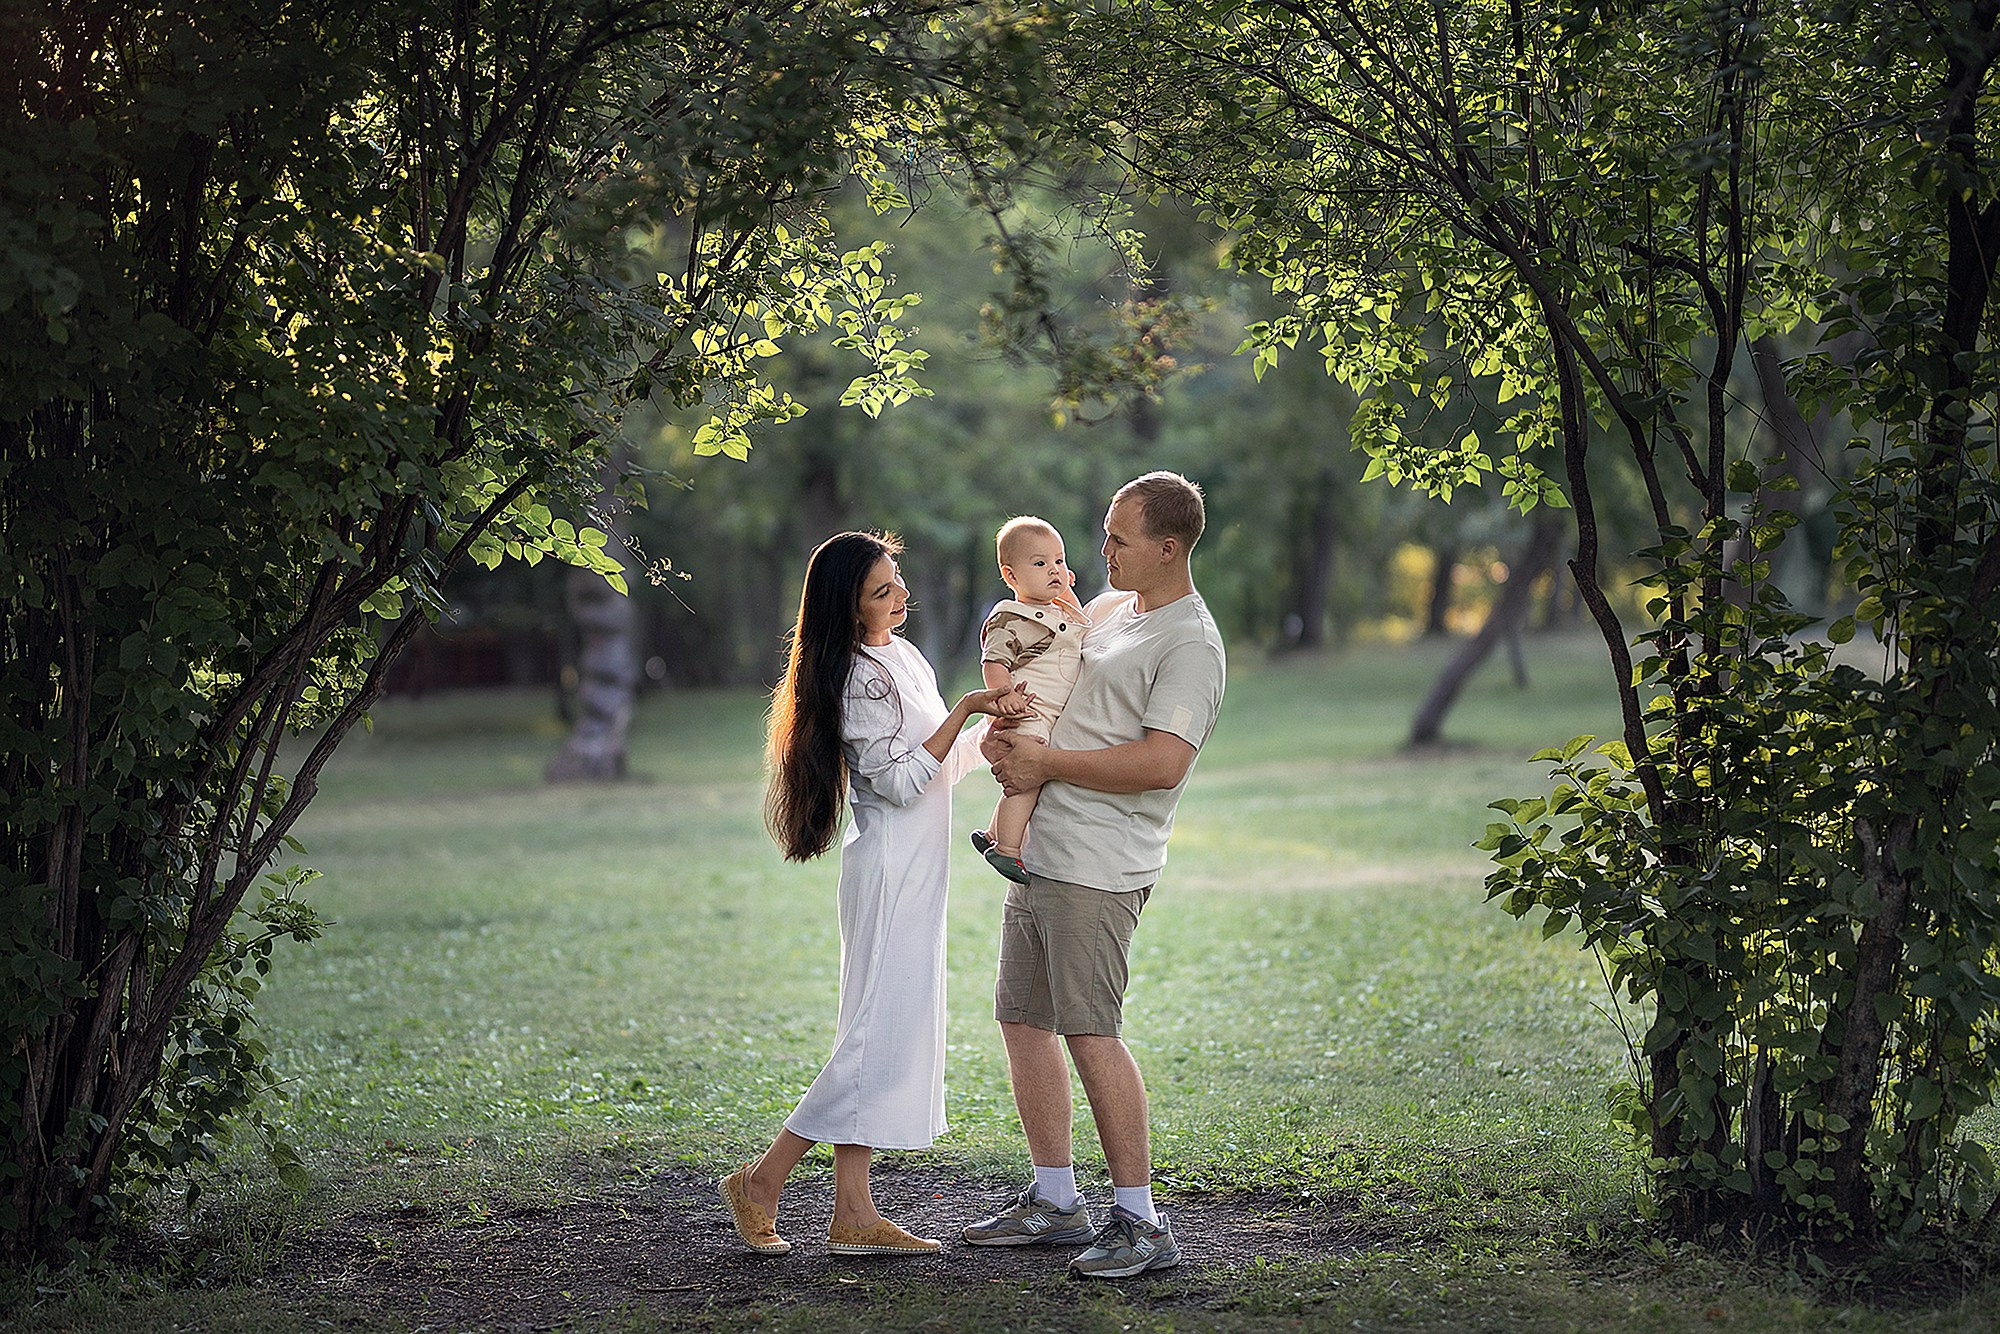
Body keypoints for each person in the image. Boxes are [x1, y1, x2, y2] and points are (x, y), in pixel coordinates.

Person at [719, 531, 1026, 1258]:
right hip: (889, 866)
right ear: (849, 609)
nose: (900, 596)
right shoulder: (858, 674)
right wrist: (968, 711)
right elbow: (892, 780)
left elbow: (938, 771)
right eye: (882, 591)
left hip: (921, 863)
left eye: (898, 582)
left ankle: (854, 1212)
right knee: (870, 1037)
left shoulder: (903, 655)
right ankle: (762, 1181)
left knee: (883, 1030)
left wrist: (999, 727)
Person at [961, 471, 1226, 1279]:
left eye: (1118, 538)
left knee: (1089, 1030)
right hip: (1042, 853)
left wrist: (1046, 760)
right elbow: (1044, 676)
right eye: (1104, 532)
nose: (1099, 550)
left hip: (1101, 867)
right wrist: (1008, 733)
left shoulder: (1190, 642)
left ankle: (1142, 1222)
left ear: (1169, 548)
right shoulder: (1110, 612)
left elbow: (1161, 762)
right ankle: (1054, 1201)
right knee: (1023, 1021)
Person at [968, 516, 1091, 885]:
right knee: (1026, 782)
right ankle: (1007, 849)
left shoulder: (1058, 611)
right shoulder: (1012, 617)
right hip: (1028, 710)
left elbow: (1079, 622)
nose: (1054, 571)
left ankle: (992, 834)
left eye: (1060, 561)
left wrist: (1065, 590)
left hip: (1048, 714)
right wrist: (1004, 698)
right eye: (1040, 564)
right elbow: (994, 660)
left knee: (1025, 780)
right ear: (1011, 576)